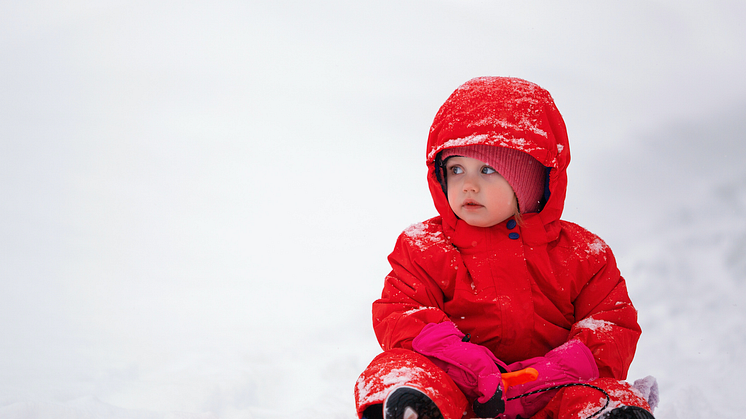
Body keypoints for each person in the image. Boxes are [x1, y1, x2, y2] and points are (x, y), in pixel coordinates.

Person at [354, 77, 658, 419]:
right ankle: (415, 409)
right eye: (455, 169)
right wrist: (463, 359)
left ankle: (605, 415)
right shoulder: (424, 247)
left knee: (604, 392)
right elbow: (401, 312)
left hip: (553, 394)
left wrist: (554, 371)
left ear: (531, 178)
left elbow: (612, 325)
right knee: (395, 366)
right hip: (460, 393)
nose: (468, 184)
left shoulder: (584, 254)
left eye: (487, 169)